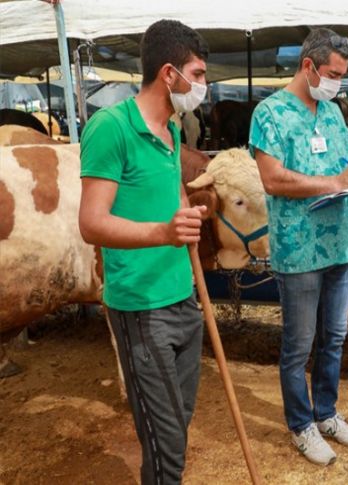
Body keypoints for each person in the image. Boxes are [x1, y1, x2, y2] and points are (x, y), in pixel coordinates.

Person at [249, 28, 348, 466]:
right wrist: (332, 183)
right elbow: (272, 178)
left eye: (343, 75)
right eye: (332, 73)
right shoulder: (269, 114)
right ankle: (301, 424)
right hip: (299, 248)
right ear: (308, 66)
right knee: (298, 344)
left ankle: (326, 412)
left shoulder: (331, 112)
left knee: (334, 336)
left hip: (339, 243)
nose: (337, 83)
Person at [78, 20, 209, 484]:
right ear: (170, 73)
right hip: (140, 308)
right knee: (167, 442)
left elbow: (173, 197)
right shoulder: (109, 128)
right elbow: (92, 223)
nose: (203, 86)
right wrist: (164, 232)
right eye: (198, 73)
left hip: (183, 299)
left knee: (176, 423)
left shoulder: (172, 131)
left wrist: (189, 215)